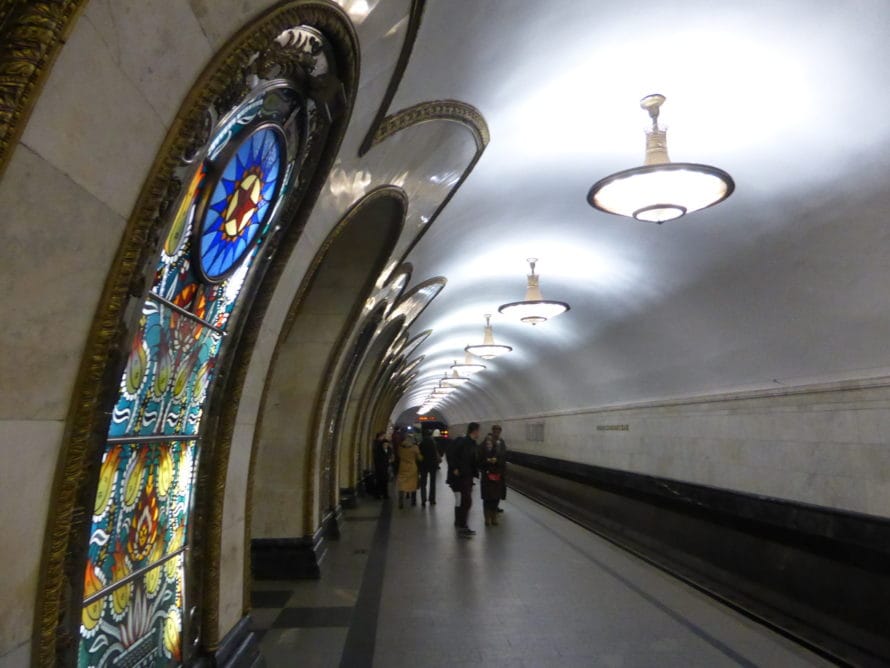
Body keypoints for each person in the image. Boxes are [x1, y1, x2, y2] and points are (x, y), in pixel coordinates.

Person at [446, 422, 480, 537]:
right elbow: (451, 454)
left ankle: (461, 524)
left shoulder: (472, 443)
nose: (479, 433)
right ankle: (462, 526)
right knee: (466, 501)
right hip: (460, 477)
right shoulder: (463, 442)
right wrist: (454, 468)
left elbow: (473, 460)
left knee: (464, 501)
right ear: (474, 431)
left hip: (467, 476)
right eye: (478, 431)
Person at [478, 434, 505, 526]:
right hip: (486, 477)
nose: (489, 443)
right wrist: (487, 461)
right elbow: (478, 463)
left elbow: (502, 462)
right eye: (487, 442)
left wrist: (496, 461)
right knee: (487, 498)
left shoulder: (497, 451)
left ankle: (494, 517)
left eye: (490, 441)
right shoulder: (481, 451)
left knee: (495, 498)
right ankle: (487, 519)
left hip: (496, 477)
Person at [396, 434, 422, 508]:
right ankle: (413, 501)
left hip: (402, 468)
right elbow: (419, 458)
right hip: (412, 468)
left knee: (401, 485)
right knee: (413, 485)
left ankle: (400, 503)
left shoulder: (400, 448)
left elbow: (398, 455)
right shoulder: (415, 448)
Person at [418, 429, 441, 507]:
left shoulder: (421, 443)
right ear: (431, 434)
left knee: (423, 483)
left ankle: (423, 500)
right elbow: (438, 452)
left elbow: (419, 454)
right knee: (432, 482)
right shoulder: (434, 443)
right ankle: (432, 500)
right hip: (433, 465)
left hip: (423, 465)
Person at [490, 424, 507, 512]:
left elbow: (504, 453)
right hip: (492, 470)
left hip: (500, 469)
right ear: (493, 431)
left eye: (498, 431)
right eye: (495, 431)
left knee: (498, 489)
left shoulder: (501, 441)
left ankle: (495, 506)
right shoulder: (489, 441)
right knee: (493, 489)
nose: (497, 433)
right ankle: (492, 507)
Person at [371, 431, 391, 499]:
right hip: (380, 467)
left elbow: (390, 456)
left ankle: (383, 494)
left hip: (385, 467)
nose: (385, 446)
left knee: (384, 481)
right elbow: (377, 457)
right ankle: (378, 494)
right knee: (380, 481)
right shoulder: (378, 449)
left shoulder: (388, 450)